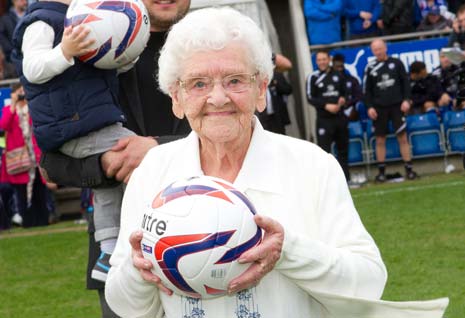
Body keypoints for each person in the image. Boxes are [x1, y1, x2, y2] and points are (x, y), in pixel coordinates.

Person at [105, 7, 389, 317]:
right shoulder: (153, 171)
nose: (218, 98)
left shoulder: (312, 165)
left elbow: (369, 284)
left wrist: (288, 251)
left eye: (235, 80)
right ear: (176, 98)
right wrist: (139, 271)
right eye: (198, 84)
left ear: (261, 90)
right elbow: (125, 306)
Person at [11, 0, 140, 283]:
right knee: (143, 157)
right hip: (73, 126)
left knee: (109, 183)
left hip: (91, 122)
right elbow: (32, 68)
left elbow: (90, 73)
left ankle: (108, 255)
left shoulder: (81, 16)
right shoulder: (42, 21)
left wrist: (124, 54)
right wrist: (64, 52)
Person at [363, 38, 418, 182]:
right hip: (379, 108)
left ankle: (409, 169)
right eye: (375, 50)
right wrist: (369, 107)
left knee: (402, 138)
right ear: (372, 51)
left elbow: (406, 83)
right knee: (380, 139)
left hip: (397, 106)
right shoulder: (370, 68)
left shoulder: (397, 63)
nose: (378, 52)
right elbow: (366, 91)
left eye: (380, 48)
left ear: (385, 48)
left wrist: (406, 100)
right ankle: (381, 172)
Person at [0, 83, 49, 227]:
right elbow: (3, 126)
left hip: (36, 156)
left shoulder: (32, 108)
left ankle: (43, 220)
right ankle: (28, 221)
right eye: (19, 91)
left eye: (23, 91)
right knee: (22, 193)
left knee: (40, 190)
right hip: (20, 159)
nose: (22, 94)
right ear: (13, 93)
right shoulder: (9, 110)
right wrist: (13, 105)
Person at [306, 50, 350, 181]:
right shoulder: (312, 77)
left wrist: (342, 100)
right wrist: (326, 106)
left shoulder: (339, 75)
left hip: (340, 118)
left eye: (324, 59)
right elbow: (309, 97)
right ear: (316, 61)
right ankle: (327, 181)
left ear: (329, 59)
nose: (322, 62)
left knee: (343, 150)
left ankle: (346, 179)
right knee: (324, 152)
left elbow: (345, 92)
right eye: (319, 60)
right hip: (324, 120)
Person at [257, 69, 293, 135]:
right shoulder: (254, 78)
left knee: (280, 137)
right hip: (263, 117)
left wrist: (277, 84)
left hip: (277, 115)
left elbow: (288, 89)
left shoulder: (276, 75)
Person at [332, 53, 363, 121]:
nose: (339, 69)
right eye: (337, 66)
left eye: (341, 66)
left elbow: (359, 95)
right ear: (333, 66)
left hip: (350, 112)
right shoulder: (328, 81)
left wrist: (348, 103)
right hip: (334, 114)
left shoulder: (352, 80)